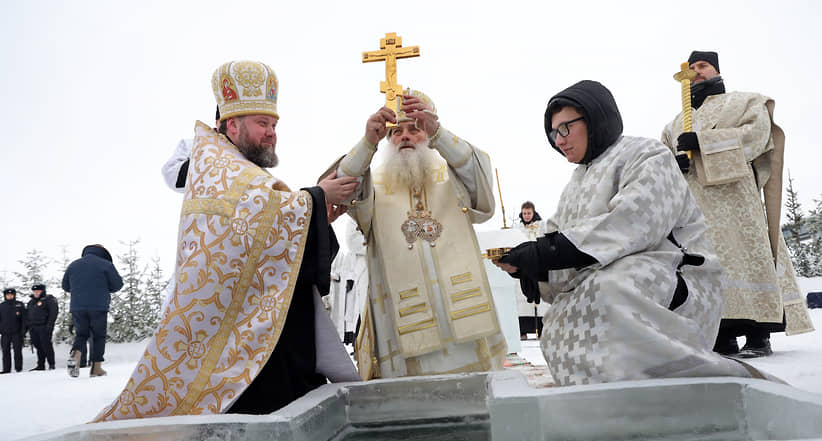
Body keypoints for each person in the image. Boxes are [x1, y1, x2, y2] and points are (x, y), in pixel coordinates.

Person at [94, 60, 360, 421]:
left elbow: (265, 227)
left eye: (274, 125)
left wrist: (317, 216)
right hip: (229, 327)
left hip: (262, 329)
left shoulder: (241, 168)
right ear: (232, 125)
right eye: (263, 124)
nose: (271, 133)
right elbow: (253, 216)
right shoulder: (217, 164)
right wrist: (314, 197)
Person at [496, 79, 779, 386]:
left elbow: (634, 221)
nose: (559, 140)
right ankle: (603, 399)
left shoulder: (646, 154)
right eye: (553, 133)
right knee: (564, 313)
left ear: (594, 117)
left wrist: (547, 252)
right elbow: (560, 244)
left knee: (611, 289)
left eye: (565, 128)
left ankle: (699, 385)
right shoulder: (575, 185)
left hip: (675, 277)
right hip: (616, 276)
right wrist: (532, 269)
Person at [324, 89, 506, 379]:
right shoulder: (373, 188)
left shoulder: (453, 176)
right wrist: (367, 142)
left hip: (463, 327)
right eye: (396, 132)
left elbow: (479, 174)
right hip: (401, 329)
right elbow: (336, 186)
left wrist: (439, 133)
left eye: (415, 129)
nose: (405, 136)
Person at [662, 51, 813, 358]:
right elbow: (663, 156)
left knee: (747, 259)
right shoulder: (675, 122)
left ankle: (759, 337)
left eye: (702, 66)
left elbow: (757, 136)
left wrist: (704, 144)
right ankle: (722, 337)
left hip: (736, 201)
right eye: (691, 68)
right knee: (708, 268)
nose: (696, 72)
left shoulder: (745, 102)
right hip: (696, 208)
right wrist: (674, 163)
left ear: (716, 70)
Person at [62, 245, 122, 377]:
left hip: (77, 307)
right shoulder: (106, 265)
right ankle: (96, 368)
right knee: (98, 336)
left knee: (81, 334)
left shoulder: (73, 265)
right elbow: (118, 284)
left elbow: (65, 286)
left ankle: (75, 354)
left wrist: (79, 290)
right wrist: (104, 288)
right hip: (98, 306)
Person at [514, 201, 548, 339]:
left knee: (540, 299)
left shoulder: (540, 225)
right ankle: (523, 331)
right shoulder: (517, 228)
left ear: (533, 213)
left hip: (536, 264)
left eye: (529, 213)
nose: (527, 215)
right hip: (522, 266)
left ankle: (540, 330)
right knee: (521, 299)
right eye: (524, 213)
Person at [26, 283, 58, 371]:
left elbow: (53, 313)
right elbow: (28, 315)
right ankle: (41, 365)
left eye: (38, 291)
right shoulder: (31, 302)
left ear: (43, 291)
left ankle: (51, 364)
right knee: (38, 346)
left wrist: (50, 325)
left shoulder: (49, 299)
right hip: (33, 328)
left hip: (44, 326)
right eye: (35, 291)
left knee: (46, 346)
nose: (36, 293)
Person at [0, 288, 26, 373]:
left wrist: (23, 331)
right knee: (5, 352)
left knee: (17, 351)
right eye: (8, 295)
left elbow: (24, 319)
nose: (9, 296)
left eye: (11, 294)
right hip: (5, 333)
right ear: (5, 296)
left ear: (14, 295)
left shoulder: (19, 305)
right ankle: (6, 369)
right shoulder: (1, 306)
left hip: (17, 333)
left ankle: (18, 368)